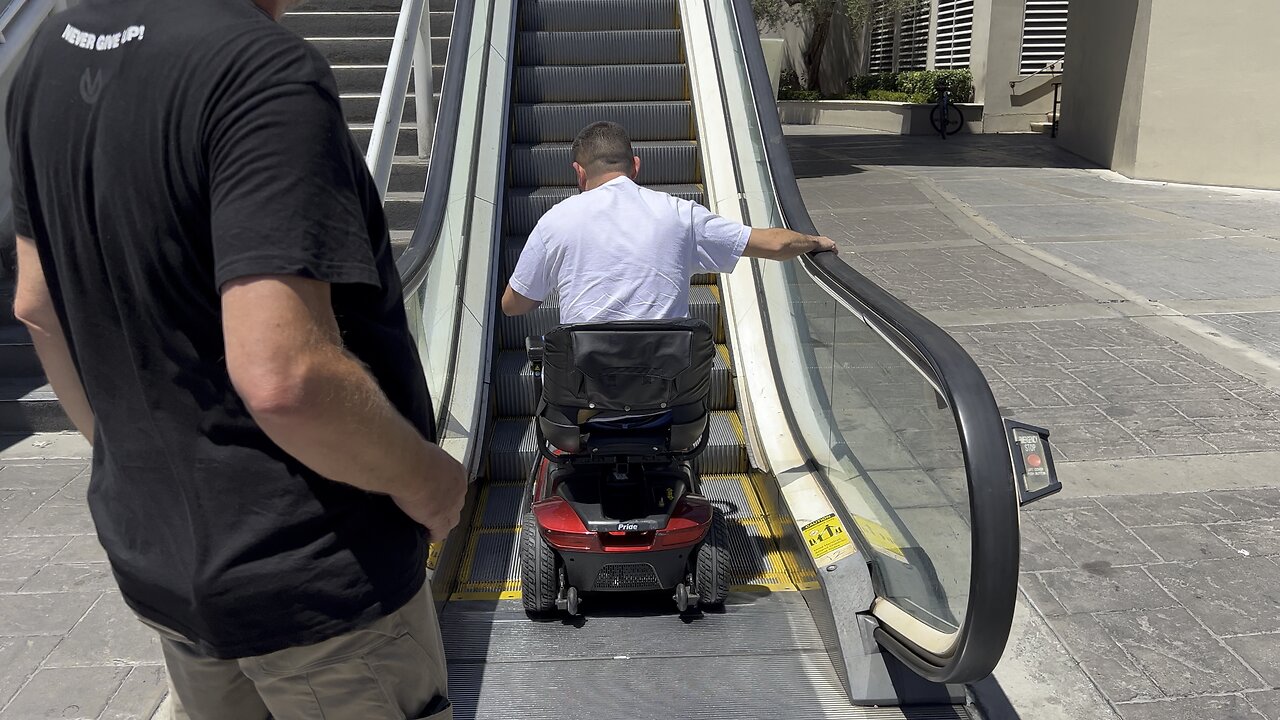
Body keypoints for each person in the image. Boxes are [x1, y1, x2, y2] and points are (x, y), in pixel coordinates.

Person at [7, 1, 465, 718]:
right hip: (316, 581)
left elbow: (37, 305)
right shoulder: (262, 73)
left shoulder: (48, 56)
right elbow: (285, 377)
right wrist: (428, 479)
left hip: (164, 566)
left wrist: (132, 460)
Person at [502, 121, 836, 323]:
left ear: (579, 172)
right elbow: (776, 244)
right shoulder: (681, 214)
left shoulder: (555, 221)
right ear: (635, 165)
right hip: (668, 396)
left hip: (584, 398)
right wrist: (816, 242)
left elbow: (514, 306)